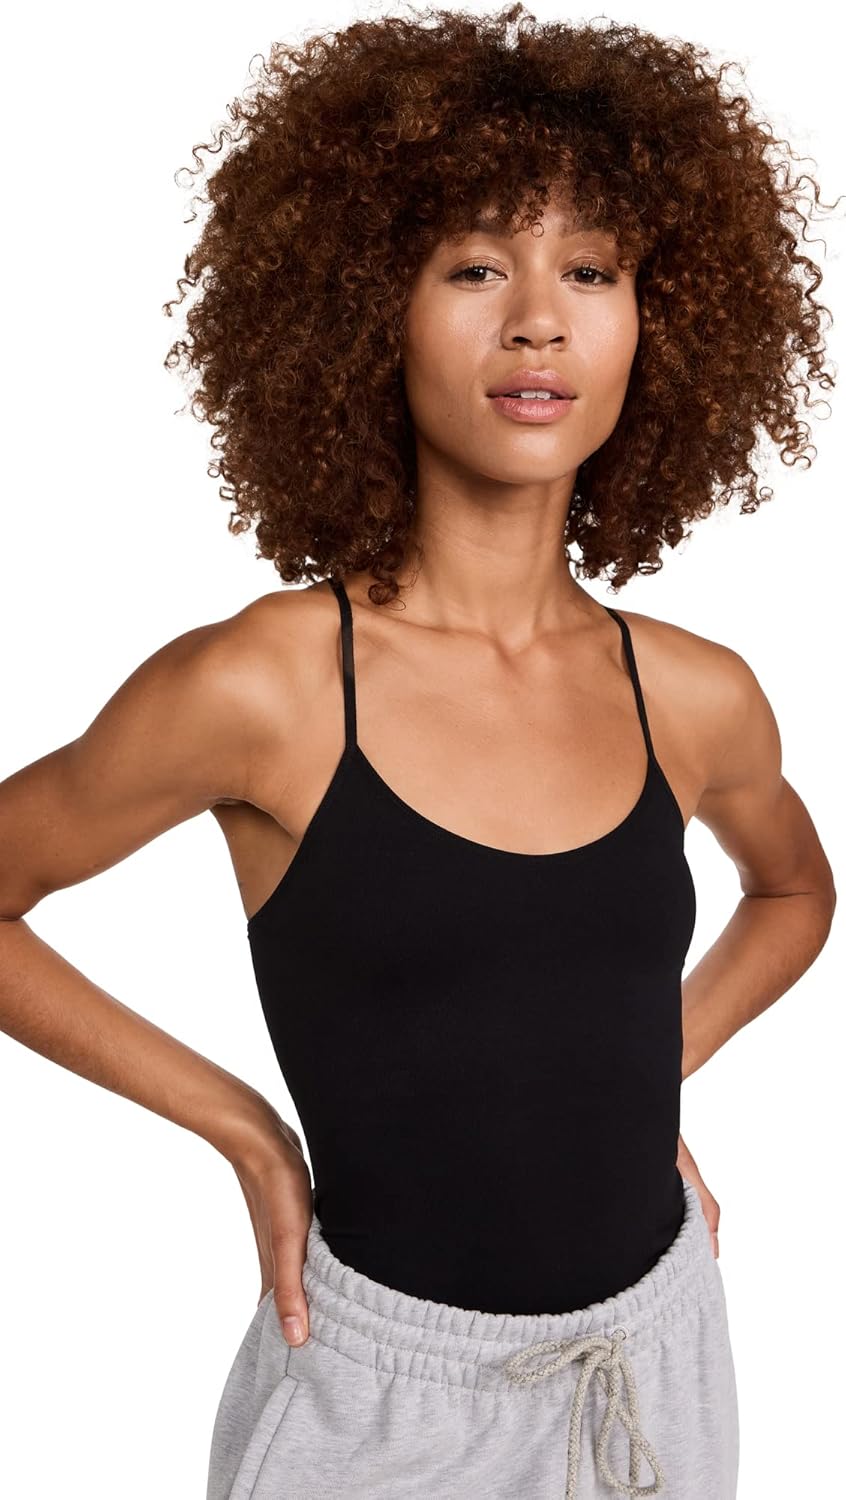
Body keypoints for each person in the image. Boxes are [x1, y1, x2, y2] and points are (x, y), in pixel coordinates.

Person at [0, 5, 838, 1497]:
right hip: (384, 1407)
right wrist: (249, 1136)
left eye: (592, 270)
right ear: (361, 309)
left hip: (654, 1368)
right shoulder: (264, 685)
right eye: (474, 267)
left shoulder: (694, 692)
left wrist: (643, 1080)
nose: (539, 321)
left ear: (660, 321)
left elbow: (794, 894)